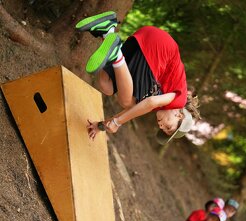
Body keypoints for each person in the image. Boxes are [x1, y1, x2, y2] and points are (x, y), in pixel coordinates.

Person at [75, 11, 200, 145]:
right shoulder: (178, 101)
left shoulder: (161, 101)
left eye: (162, 129)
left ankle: (107, 30)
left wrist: (100, 126)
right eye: (169, 127)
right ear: (179, 115)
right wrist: (118, 123)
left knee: (107, 85)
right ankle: (115, 54)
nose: (161, 126)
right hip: (160, 48)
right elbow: (146, 103)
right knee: (128, 101)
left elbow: (132, 110)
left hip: (145, 38)